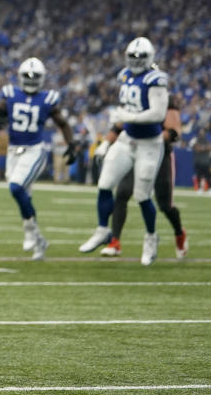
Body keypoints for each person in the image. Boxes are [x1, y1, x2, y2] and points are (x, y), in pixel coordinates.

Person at [79, 37, 168, 266]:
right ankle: (102, 230)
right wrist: (107, 141)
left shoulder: (155, 80)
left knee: (141, 195)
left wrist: (130, 117)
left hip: (149, 143)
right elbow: (123, 113)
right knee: (104, 184)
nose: (136, 61)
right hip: (127, 139)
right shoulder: (125, 75)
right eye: (133, 57)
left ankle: (150, 238)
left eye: (140, 57)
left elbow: (158, 114)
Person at [0, 58, 77, 260]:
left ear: (42, 78)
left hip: (35, 151)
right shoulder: (10, 94)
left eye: (34, 76)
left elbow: (63, 123)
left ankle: (29, 231)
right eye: (27, 76)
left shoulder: (47, 99)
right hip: (13, 151)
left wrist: (71, 145)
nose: (30, 79)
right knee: (22, 196)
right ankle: (39, 241)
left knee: (16, 188)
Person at [100, 90, 188, 259]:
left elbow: (174, 131)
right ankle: (115, 241)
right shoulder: (133, 96)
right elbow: (118, 126)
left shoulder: (165, 99)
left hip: (159, 152)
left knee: (165, 205)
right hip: (135, 150)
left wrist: (150, 137)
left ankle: (179, 233)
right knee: (122, 193)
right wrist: (105, 143)